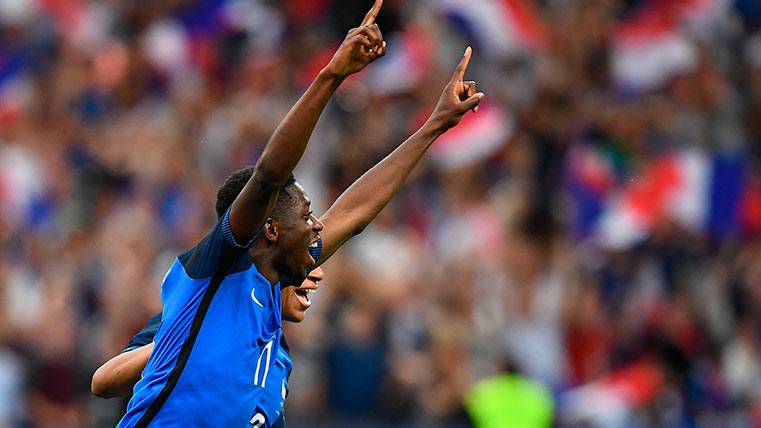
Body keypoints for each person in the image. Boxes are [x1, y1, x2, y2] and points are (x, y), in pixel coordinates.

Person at [119, 2, 484, 424]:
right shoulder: (220, 272)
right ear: (270, 228)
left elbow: (356, 212)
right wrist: (331, 77)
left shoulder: (276, 350)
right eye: (307, 215)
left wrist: (434, 127)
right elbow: (270, 174)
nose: (316, 225)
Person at [92, 268, 324, 428]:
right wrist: (192, 338)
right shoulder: (195, 316)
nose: (318, 274)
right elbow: (104, 382)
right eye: (307, 265)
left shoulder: (280, 357)